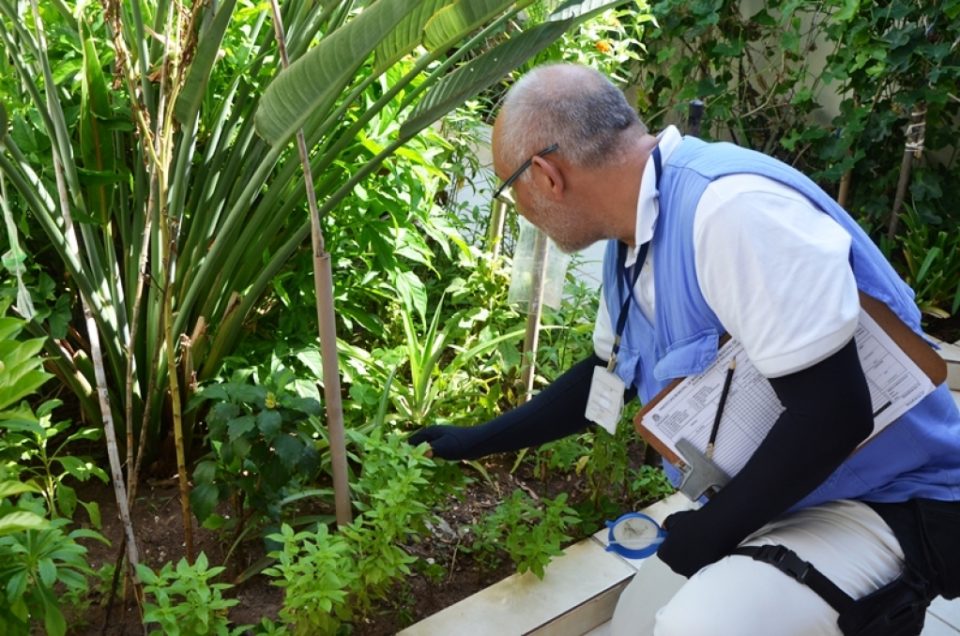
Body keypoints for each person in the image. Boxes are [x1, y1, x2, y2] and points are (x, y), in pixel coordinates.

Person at [409, 63, 960, 635]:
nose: (518, 210)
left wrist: (711, 533)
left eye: (510, 190)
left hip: (892, 498)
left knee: (697, 625)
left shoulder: (729, 210)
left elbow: (833, 414)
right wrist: (474, 442)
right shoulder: (631, 242)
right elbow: (608, 377)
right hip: (793, 493)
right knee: (635, 625)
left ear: (546, 175)